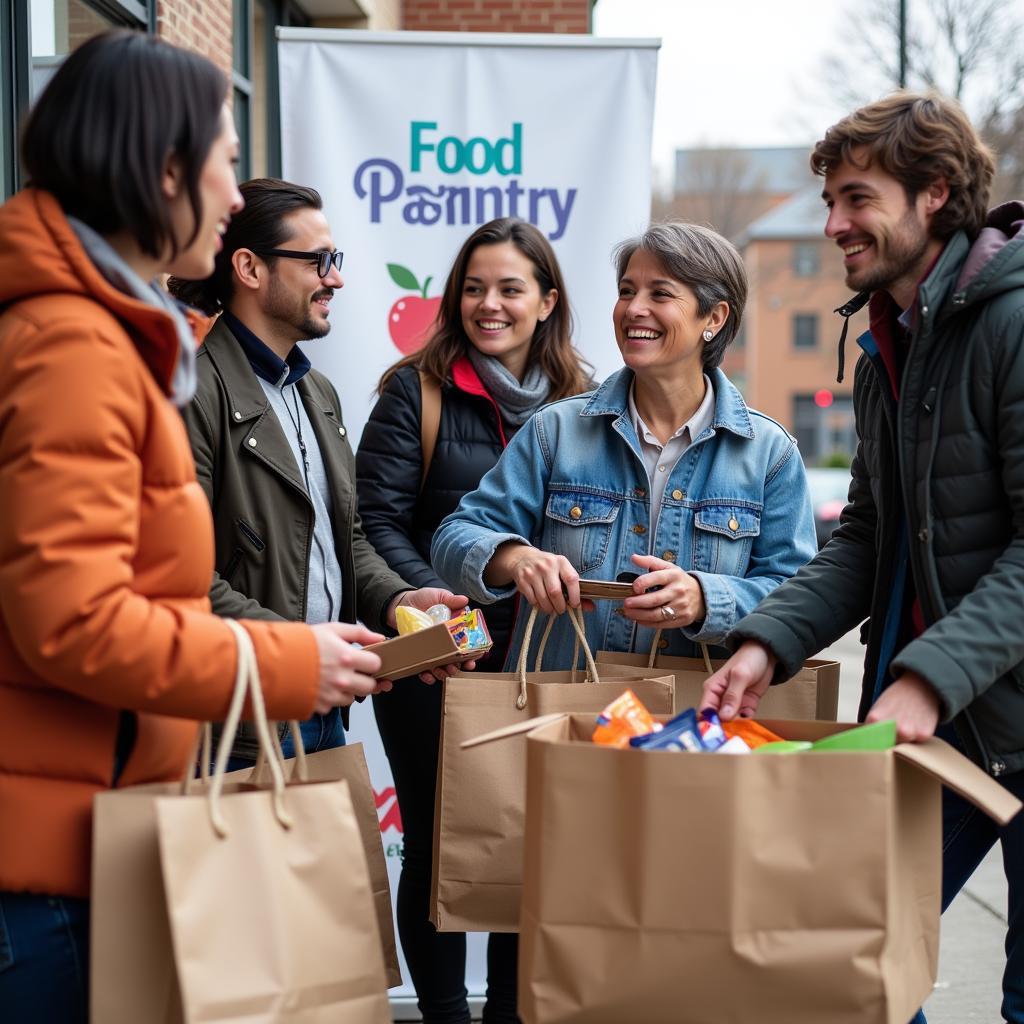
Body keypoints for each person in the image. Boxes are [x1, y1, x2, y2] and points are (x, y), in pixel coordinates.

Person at [0, 33, 387, 1023]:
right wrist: (283, 661)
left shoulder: (103, 333)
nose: (230, 193)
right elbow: (76, 622)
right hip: (38, 871)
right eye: (222, 159)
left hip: (76, 838)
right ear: (164, 167)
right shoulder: (72, 345)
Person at [699, 92, 1024, 1024]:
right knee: (843, 965)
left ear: (935, 194)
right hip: (954, 723)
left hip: (961, 701)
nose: (834, 223)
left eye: (856, 199)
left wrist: (926, 677)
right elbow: (870, 537)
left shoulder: (1011, 323)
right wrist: (766, 642)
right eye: (830, 201)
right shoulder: (889, 340)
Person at [354, 217, 592, 1024]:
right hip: (438, 655)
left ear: (546, 300)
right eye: (474, 287)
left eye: (510, 288)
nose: (489, 304)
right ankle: (447, 1015)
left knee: (535, 851)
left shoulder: (585, 404)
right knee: (434, 843)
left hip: (543, 659)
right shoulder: (414, 390)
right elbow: (375, 523)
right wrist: (434, 604)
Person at [169, 177, 466, 768]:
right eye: (318, 261)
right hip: (239, 727)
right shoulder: (192, 394)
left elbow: (342, 539)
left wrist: (400, 601)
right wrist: (302, 651)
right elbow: (182, 581)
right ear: (249, 268)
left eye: (336, 259)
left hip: (322, 709)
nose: (336, 278)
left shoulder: (316, 392)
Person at [432, 221, 816, 675]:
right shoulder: (554, 432)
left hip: (696, 725)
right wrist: (517, 559)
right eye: (627, 291)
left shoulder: (770, 454)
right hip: (563, 714)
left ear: (714, 318)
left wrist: (706, 598)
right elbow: (453, 540)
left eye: (660, 294)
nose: (634, 309)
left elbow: (798, 598)